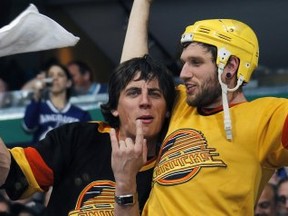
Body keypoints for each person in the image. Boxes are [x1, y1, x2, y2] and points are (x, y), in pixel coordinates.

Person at [111, 0, 288, 215]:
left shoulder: (267, 116)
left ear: (230, 66)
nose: (184, 73)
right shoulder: (180, 103)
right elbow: (132, 75)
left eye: (196, 62)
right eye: (184, 62)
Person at [0, 55, 176, 216]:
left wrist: (126, 181)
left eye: (154, 94)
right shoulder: (78, 138)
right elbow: (13, 172)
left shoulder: (175, 168)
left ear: (167, 110)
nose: (145, 102)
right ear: (114, 107)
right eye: (134, 93)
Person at [22, 62, 92, 145]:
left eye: (60, 75)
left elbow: (87, 144)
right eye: (51, 76)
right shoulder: (38, 107)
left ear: (68, 83)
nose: (55, 78)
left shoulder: (81, 114)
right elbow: (28, 127)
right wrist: (37, 94)